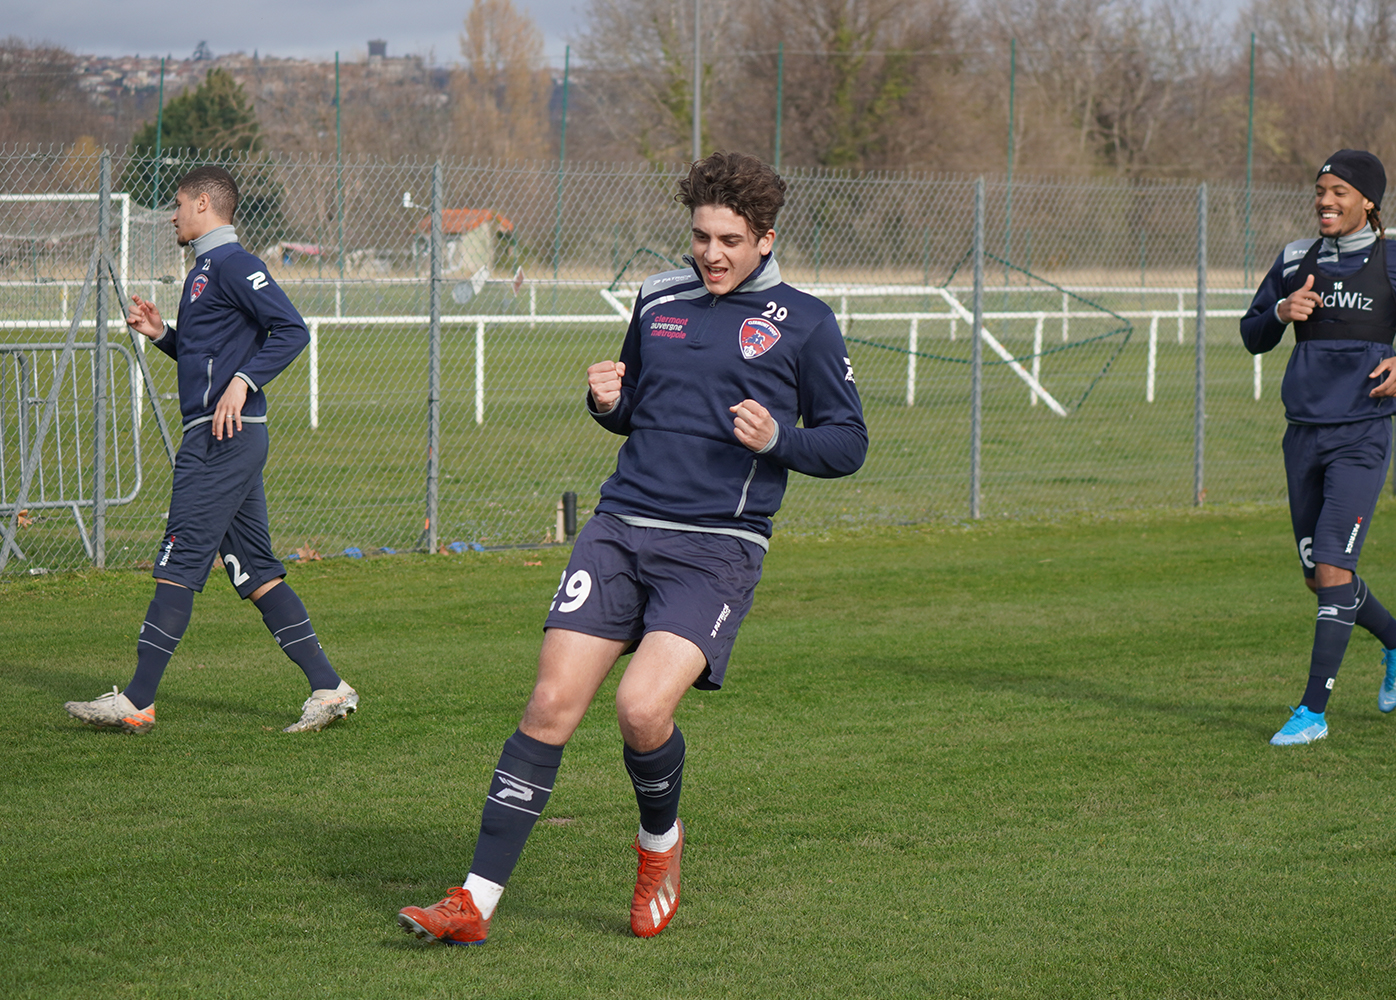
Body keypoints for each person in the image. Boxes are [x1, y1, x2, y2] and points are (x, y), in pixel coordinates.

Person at [396, 151, 867, 944]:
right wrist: (605, 401)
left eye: (729, 239)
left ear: (765, 239)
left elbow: (848, 443)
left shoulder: (807, 322)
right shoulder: (657, 299)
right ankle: (473, 902)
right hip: (620, 529)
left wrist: (781, 438)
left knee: (641, 709)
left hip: (716, 547)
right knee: (548, 706)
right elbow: (636, 408)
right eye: (700, 236)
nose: (711, 253)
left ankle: (659, 844)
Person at [64, 166, 357, 735]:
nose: (171, 215)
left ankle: (139, 699)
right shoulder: (203, 270)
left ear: (203, 203)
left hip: (226, 437)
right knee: (254, 571)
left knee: (179, 557)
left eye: (177, 204)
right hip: (219, 433)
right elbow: (209, 357)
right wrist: (162, 335)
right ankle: (328, 687)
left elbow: (292, 329)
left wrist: (245, 383)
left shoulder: (233, 263)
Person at [1240, 149, 1396, 746]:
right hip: (1302, 432)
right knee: (1320, 579)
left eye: (1339, 191)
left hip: (1362, 433)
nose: (1325, 201)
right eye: (1320, 191)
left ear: (1368, 201)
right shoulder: (1292, 260)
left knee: (1336, 566)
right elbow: (1252, 334)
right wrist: (1282, 312)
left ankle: (1312, 713)